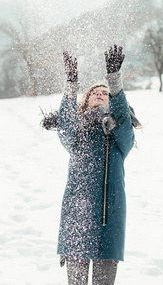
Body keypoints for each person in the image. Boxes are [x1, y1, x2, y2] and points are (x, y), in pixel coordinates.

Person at [56, 45, 137, 285]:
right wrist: (71, 83)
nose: (100, 94)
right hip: (77, 217)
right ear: (86, 101)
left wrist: (114, 82)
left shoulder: (119, 136)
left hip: (109, 218)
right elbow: (65, 125)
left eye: (105, 93)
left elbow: (123, 120)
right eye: (95, 93)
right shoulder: (76, 134)